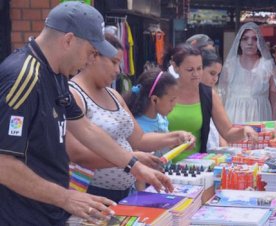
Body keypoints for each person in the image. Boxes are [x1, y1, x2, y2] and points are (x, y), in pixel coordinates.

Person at [0, 2, 172, 225]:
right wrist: (66, 197)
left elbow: (85, 128)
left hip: (49, 212)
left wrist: (134, 166)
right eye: (91, 52)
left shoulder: (57, 73)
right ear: (69, 40)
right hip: (21, 216)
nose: (90, 60)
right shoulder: (24, 78)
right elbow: (3, 163)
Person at [67, 34, 194, 202]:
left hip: (126, 192)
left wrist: (176, 137)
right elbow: (78, 154)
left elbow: (139, 138)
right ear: (93, 56)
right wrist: (130, 160)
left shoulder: (113, 95)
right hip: (91, 193)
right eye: (114, 62)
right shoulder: (73, 94)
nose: (118, 70)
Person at [167, 43, 258, 162]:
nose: (196, 74)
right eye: (190, 70)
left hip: (193, 167)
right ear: (175, 67)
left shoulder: (208, 94)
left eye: (199, 69)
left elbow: (228, 132)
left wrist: (244, 130)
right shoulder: (162, 91)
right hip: (159, 164)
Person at [219, 22, 276, 124]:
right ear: (239, 42)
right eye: (245, 38)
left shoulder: (268, 66)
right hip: (233, 118)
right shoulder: (230, 66)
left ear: (260, 42)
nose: (250, 42)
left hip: (261, 118)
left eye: (254, 38)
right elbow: (222, 99)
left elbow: (275, 102)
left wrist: (274, 128)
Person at [125, 69, 181, 157]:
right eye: (171, 100)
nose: (174, 104)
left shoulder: (161, 118)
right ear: (154, 100)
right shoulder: (136, 127)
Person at [200, 50, 228, 149]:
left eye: (217, 75)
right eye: (212, 73)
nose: (215, 79)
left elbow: (220, 126)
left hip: (213, 143)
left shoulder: (213, 93)